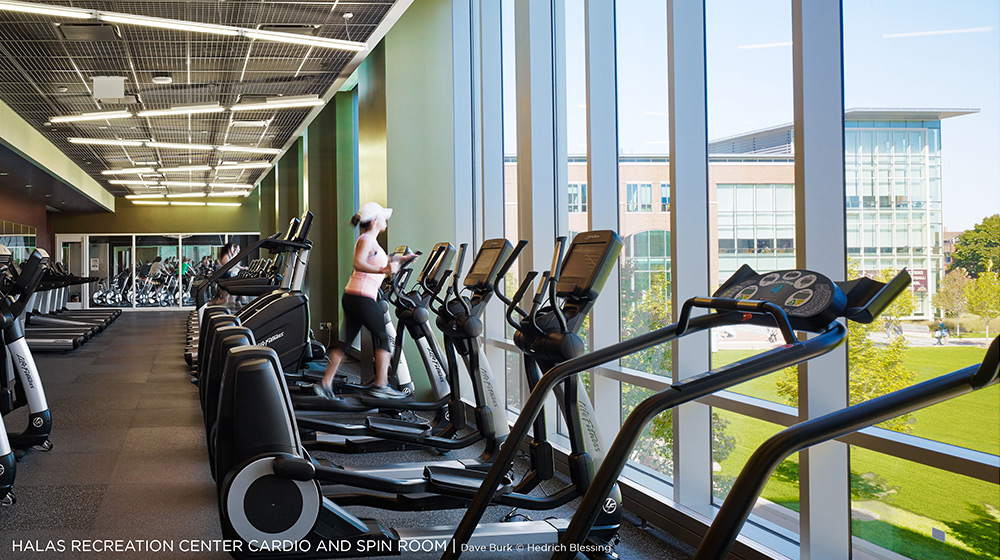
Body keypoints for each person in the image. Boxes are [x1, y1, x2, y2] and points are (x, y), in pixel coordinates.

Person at [315, 202, 417, 400]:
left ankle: (325, 384)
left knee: (345, 343)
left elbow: (378, 260)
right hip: (361, 297)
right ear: (375, 221)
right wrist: (384, 270)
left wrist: (401, 260)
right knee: (383, 337)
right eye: (383, 218)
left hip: (355, 296)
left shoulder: (371, 241)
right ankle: (381, 385)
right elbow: (358, 262)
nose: (386, 221)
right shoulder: (366, 239)